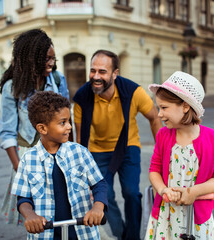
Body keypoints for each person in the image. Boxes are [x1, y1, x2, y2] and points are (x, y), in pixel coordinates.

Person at [73, 49, 162, 239]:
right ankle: (121, 234)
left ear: (115, 74)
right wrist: (81, 168)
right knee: (104, 197)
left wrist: (162, 151)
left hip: (128, 146)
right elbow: (80, 138)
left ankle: (133, 236)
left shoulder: (133, 92)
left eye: (102, 71)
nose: (96, 76)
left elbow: (154, 117)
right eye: (93, 70)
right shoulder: (81, 98)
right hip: (97, 150)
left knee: (131, 192)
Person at [11, 91, 108, 240]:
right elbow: (23, 198)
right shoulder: (28, 160)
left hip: (81, 232)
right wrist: (30, 215)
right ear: (42, 128)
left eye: (69, 121)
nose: (69, 127)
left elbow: (99, 184)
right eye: (63, 123)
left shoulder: (80, 152)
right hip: (47, 233)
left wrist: (98, 207)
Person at [144, 71, 214, 239]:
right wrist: (163, 190)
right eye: (158, 108)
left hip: (197, 220)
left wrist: (193, 192)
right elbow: (154, 170)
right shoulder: (163, 135)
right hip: (165, 215)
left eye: (164, 107)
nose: (159, 114)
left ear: (185, 106)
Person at [0, 29, 69, 225]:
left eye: (53, 59)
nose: (51, 63)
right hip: (27, 156)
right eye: (46, 59)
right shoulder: (12, 87)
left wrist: (70, 153)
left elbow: (65, 120)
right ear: (32, 58)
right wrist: (19, 167)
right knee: (35, 215)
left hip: (56, 153)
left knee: (60, 209)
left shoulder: (57, 79)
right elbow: (7, 132)